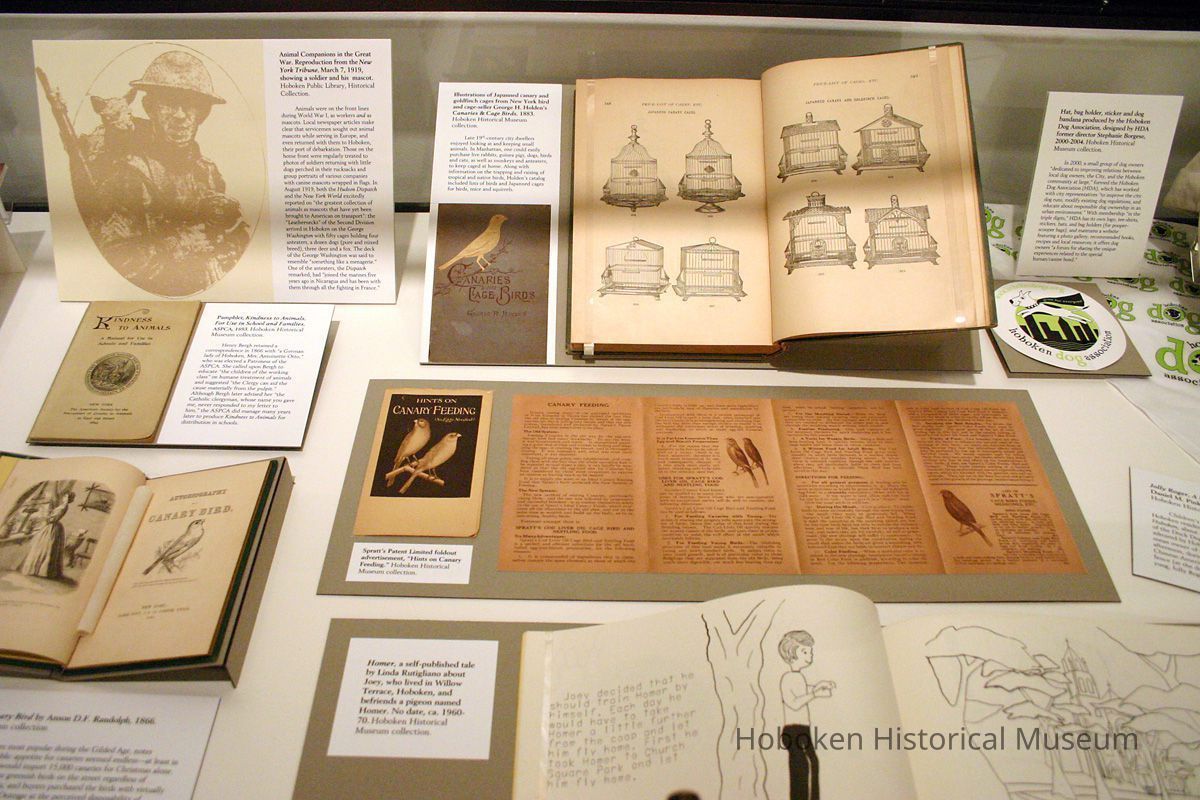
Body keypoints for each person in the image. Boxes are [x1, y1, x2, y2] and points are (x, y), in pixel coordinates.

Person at [84, 50, 249, 296]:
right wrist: (180, 245)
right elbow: (116, 257)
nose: (180, 116)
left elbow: (232, 236)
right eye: (169, 104)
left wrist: (228, 249)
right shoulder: (128, 174)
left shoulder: (207, 172)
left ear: (202, 114)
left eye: (190, 105)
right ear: (150, 108)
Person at [778, 630, 836, 800]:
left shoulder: (798, 677)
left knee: (811, 764)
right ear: (792, 654)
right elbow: (794, 703)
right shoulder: (788, 678)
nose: (809, 655)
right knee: (803, 767)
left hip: (803, 730)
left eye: (809, 651)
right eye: (804, 651)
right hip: (793, 730)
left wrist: (818, 688)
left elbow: (804, 691)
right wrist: (815, 694)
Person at [18, 491, 74, 580]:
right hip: (53, 527)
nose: (63, 498)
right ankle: (39, 569)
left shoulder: (63, 506)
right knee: (45, 547)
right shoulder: (63, 506)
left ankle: (40, 570)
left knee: (45, 547)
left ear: (67, 498)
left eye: (65, 496)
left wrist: (45, 516)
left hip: (51, 527)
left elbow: (52, 519)